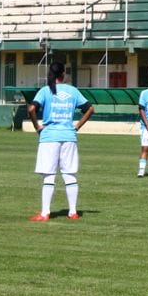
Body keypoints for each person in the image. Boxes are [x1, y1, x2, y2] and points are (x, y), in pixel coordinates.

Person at [28, 62, 94, 221]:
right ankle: (73, 212)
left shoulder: (45, 91)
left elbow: (31, 109)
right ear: (63, 74)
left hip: (49, 138)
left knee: (49, 176)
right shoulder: (72, 91)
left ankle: (45, 213)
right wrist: (77, 126)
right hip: (69, 136)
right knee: (69, 174)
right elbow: (90, 109)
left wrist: (37, 127)